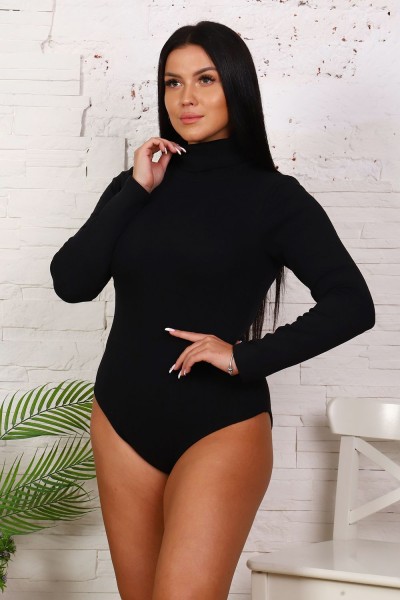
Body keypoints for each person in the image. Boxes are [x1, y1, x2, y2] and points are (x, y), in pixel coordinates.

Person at [50, 20, 375, 600]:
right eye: (172, 83)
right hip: (121, 418)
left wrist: (243, 358)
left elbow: (353, 303)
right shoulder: (136, 185)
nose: (186, 98)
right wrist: (135, 189)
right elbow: (71, 284)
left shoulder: (275, 197)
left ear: (236, 86)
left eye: (205, 79)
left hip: (220, 426)